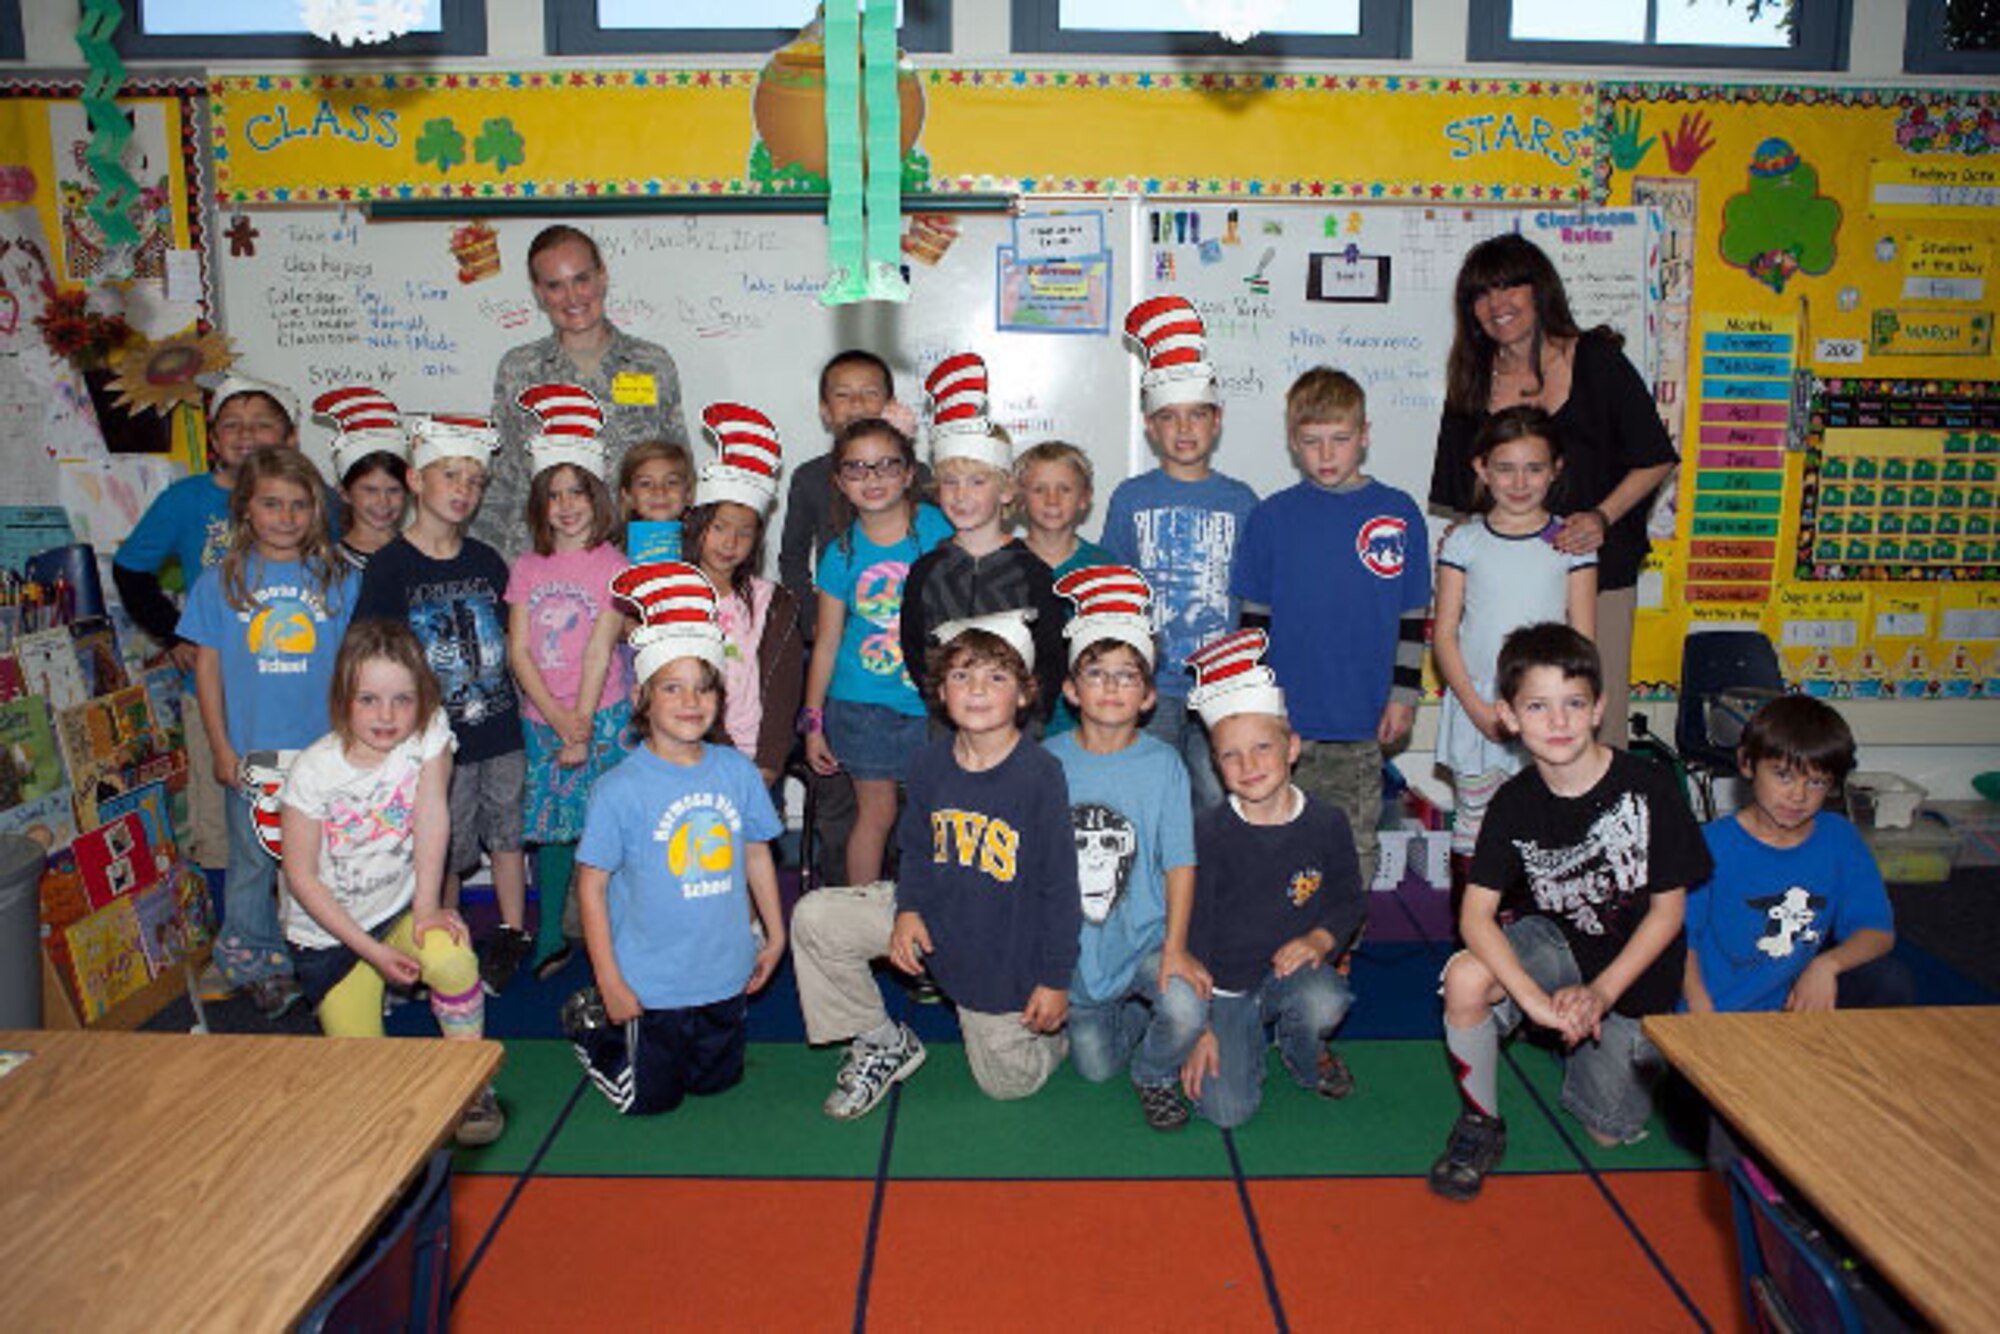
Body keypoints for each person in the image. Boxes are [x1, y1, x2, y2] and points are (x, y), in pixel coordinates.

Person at [1429, 623, 1711, 1202]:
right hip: (1557, 948)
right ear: (1508, 716)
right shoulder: (1513, 801)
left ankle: (1591, 1035)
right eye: (1538, 706)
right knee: (1465, 976)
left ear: (1598, 708)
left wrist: (1602, 994)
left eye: (1572, 704)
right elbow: (1475, 917)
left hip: (1632, 976)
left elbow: (1667, 912)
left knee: (1607, 1132)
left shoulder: (1649, 788)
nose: (1557, 723)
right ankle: (1482, 1120)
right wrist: (1533, 1005)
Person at [790, 610, 1081, 1117]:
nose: (976, 688)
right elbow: (918, 850)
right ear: (941, 691)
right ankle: (882, 1041)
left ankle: (1054, 1037)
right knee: (817, 918)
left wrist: (1054, 980)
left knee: (1007, 1085)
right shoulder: (928, 762)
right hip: (934, 920)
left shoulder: (1040, 775)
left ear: (1024, 692)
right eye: (961, 675)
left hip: (1001, 954)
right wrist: (908, 910)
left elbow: (1059, 888)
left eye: (996, 676)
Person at [1431, 233, 1678, 749]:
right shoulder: (1470, 380)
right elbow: (1463, 495)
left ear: (1539, 290)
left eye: (1510, 286)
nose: (1498, 305)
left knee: (1590, 729)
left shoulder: (1596, 359)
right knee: (1507, 736)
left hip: (1593, 572)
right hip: (1505, 587)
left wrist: (1601, 518)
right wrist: (1462, 540)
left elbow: (1655, 456)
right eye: (1482, 294)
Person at [562, 562, 787, 1116]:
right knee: (649, 1101)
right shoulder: (619, 789)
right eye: (673, 687)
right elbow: (591, 889)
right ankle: (592, 1028)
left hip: (724, 971)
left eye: (704, 686)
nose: (691, 701)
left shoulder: (736, 771)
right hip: (648, 982)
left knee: (716, 1084)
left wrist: (774, 936)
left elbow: (757, 853)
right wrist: (610, 980)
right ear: (642, 696)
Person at [276, 618, 503, 1146]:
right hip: (332, 936)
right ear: (343, 698)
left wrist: (426, 909)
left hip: (399, 912)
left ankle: (470, 1085)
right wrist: (372, 955)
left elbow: (431, 814)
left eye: (402, 699)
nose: (386, 716)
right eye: (369, 700)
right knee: (365, 1086)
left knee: (450, 955)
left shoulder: (428, 734)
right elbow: (302, 879)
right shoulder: (313, 772)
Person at [354, 412, 534, 995]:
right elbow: (370, 650)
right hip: (434, 742)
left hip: (500, 726)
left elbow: (513, 642)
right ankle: (444, 934)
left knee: (506, 835)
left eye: (474, 480)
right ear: (415, 480)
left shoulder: (486, 561)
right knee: (447, 843)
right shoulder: (390, 566)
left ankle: (511, 932)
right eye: (449, 476)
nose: (463, 490)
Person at [178, 446, 357, 1019]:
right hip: (253, 754)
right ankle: (254, 961)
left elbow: (356, 664)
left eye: (299, 505)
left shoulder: (339, 578)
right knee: (254, 861)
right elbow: (207, 669)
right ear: (246, 509)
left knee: (326, 860)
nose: (286, 516)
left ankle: (329, 954)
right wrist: (221, 745)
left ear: (317, 510)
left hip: (324, 754)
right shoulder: (219, 582)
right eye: (272, 504)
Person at [1234, 368, 1430, 889]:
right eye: (1312, 441)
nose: (1326, 455)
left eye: (1340, 439)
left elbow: (1413, 617)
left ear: (1364, 435)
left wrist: (1402, 695)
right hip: (1283, 722)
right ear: (1292, 442)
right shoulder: (1271, 517)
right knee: (1276, 846)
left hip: (1358, 719)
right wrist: (1254, 704)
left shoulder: (1398, 513)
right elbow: (1252, 622)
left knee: (1349, 847)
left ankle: (1338, 951)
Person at [1177, 629, 1367, 1129]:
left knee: (1325, 999)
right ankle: (1238, 1041)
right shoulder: (1208, 833)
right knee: (1226, 1112)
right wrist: (1200, 1028)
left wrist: (1320, 936)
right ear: (1216, 766)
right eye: (1231, 755)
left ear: (1292, 748)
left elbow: (1349, 899)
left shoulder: (1327, 822)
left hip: (1291, 977)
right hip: (1224, 990)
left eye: (1263, 747)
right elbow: (1193, 934)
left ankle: (1302, 1053)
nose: (1249, 765)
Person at [113, 374, 301, 871]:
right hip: (214, 692)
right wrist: (173, 632)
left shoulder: (309, 498)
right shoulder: (186, 500)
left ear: (288, 438)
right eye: (232, 425)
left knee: (295, 819)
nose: (246, 434)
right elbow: (130, 569)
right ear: (214, 440)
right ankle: (233, 936)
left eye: (262, 425)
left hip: (294, 693)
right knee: (221, 822)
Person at [1044, 565, 1206, 1130]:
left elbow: (1180, 863)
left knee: (1187, 1006)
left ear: (1147, 697)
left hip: (1144, 939)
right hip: (1076, 955)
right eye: (1096, 672)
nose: (1111, 686)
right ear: (1070, 689)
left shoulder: (1163, 764)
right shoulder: (1048, 764)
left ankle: (1155, 1073)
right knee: (1093, 1068)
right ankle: (1118, 1017)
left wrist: (1177, 948)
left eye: (1126, 675)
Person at [1431, 405, 1597, 921]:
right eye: (1505, 468)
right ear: (1481, 469)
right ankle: (1471, 947)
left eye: (1534, 468)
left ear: (1556, 470)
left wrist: (1566, 709)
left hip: (1549, 715)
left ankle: (1534, 942)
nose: (1519, 482)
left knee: (1546, 824)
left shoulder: (1572, 544)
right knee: (1475, 823)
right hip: (1479, 707)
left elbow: (1583, 640)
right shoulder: (1464, 541)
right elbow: (1444, 634)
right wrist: (1479, 708)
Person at [1104, 296, 1258, 811]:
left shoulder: (1242, 501)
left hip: (1223, 679)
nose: (1185, 429)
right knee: (1153, 791)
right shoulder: (1131, 498)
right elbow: (1117, 588)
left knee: (1217, 794)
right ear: (1150, 426)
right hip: (1155, 681)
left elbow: (1257, 594)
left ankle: (1212, 890)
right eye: (1169, 417)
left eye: (1197, 415)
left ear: (1217, 421)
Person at [503, 383, 631, 982]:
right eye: (553, 494)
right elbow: (519, 650)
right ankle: (551, 929)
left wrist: (580, 722)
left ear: (597, 495)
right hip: (542, 719)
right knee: (553, 829)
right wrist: (555, 720)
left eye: (577, 491)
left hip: (603, 714)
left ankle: (618, 930)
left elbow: (601, 649)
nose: (566, 505)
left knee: (608, 825)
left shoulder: (614, 565)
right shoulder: (528, 566)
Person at [1684, 695, 1910, 1015]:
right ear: (1747, 763)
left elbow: (1877, 931)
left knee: (1888, 979)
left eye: (1816, 782)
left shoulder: (1838, 837)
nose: (1798, 796)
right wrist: (1699, 1009)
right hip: (1719, 1012)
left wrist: (1826, 965)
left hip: (1794, 1008)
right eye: (1783, 775)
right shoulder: (1708, 844)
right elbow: (1679, 941)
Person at [800, 417, 952, 888]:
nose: (872, 478)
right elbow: (825, 644)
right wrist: (812, 723)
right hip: (862, 706)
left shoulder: (939, 528)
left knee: (938, 816)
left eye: (886, 465)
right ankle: (863, 922)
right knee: (876, 814)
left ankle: (934, 920)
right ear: (840, 482)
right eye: (857, 469)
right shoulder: (839, 554)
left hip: (935, 703)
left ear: (909, 473)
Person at [479, 224, 687, 561]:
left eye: (581, 279)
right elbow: (503, 481)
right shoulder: (519, 369)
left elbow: (677, 471)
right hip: (543, 568)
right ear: (538, 293)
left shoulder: (652, 364)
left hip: (632, 563)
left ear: (602, 276)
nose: (573, 297)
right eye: (555, 286)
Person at [900, 353, 1067, 722]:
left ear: (1006, 490)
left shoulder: (1032, 572)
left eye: (978, 481)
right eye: (950, 482)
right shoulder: (925, 572)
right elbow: (914, 649)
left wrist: (1029, 717)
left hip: (1017, 733)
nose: (961, 495)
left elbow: (1050, 657)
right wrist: (943, 707)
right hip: (946, 731)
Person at [683, 401, 801, 787]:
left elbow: (784, 690)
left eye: (745, 532)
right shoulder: (676, 596)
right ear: (699, 525)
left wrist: (768, 762)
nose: (730, 542)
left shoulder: (772, 602)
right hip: (692, 750)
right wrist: (724, 752)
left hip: (758, 761)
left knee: (754, 847)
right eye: (719, 527)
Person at [1014, 440, 1112, 737]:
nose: (1052, 500)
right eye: (1039, 489)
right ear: (1019, 498)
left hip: (1084, 723)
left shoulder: (1104, 569)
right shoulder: (1003, 565)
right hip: (1016, 720)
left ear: (1085, 498)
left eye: (1065, 489)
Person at [312, 385, 411, 571]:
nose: (384, 501)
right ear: (343, 492)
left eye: (394, 490)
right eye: (370, 490)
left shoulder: (421, 558)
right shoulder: (325, 564)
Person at [618, 437, 695, 563]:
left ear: (688, 494)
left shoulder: (702, 549)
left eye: (672, 482)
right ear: (628, 496)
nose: (659, 491)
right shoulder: (615, 556)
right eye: (646, 483)